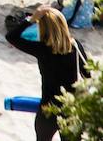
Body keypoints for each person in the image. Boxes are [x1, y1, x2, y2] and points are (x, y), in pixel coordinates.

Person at [5, 7, 90, 141]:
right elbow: (88, 74)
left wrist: (32, 19)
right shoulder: (75, 46)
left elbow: (11, 37)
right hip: (70, 109)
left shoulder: (42, 49)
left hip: (48, 109)